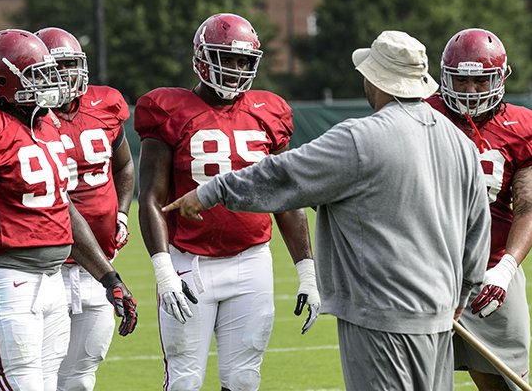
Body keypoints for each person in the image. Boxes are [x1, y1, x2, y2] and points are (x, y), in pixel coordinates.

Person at [163, 30, 492, 390]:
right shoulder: (460, 143)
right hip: (440, 316)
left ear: (376, 80)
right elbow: (478, 232)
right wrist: (463, 295)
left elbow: (283, 175)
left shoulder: (361, 138)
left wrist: (213, 191)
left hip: (380, 320)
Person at [0, 29, 137, 391]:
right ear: (2, 80)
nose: (51, 82)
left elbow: (64, 211)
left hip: (50, 284)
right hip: (5, 281)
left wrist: (109, 277)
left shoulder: (42, 126)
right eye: (38, 73)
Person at [134, 13, 320, 391]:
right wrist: (164, 271)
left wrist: (307, 274)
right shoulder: (168, 108)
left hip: (251, 261)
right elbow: (150, 198)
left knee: (244, 378)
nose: (235, 69)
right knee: (184, 379)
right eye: (226, 58)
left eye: (242, 61)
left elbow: (285, 197)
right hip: (189, 260)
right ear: (201, 58)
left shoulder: (269, 112)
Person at [427, 28, 532, 391]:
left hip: (492, 272)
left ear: (500, 78)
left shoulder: (521, 127)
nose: (470, 90)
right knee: (421, 379)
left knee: (502, 381)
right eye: (461, 79)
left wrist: (505, 270)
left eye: (480, 79)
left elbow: (529, 206)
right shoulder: (424, 116)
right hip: (428, 273)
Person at [35, 27, 135, 391]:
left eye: (70, 67)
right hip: (47, 268)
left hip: (101, 265)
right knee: (39, 377)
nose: (65, 77)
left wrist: (121, 213)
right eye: (55, 68)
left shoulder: (105, 104)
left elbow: (123, 166)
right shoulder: (25, 118)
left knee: (80, 376)